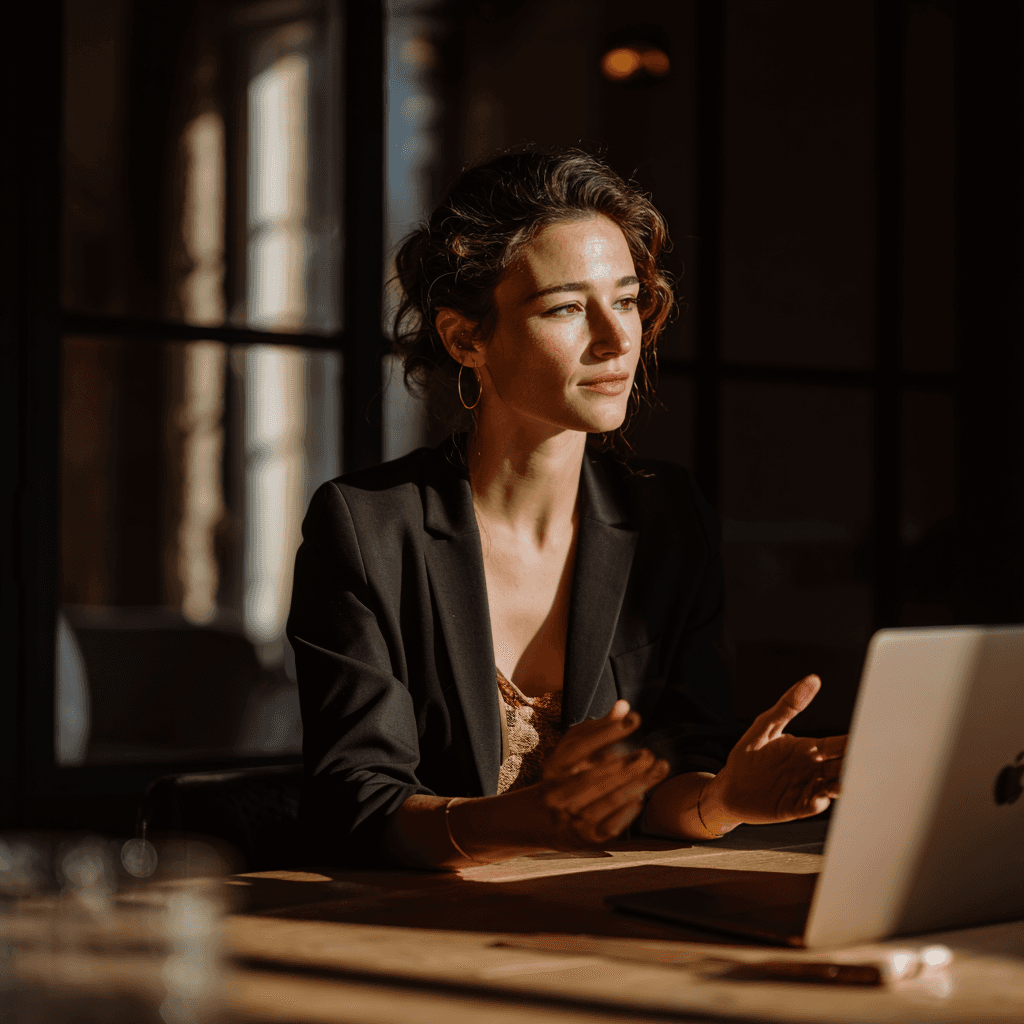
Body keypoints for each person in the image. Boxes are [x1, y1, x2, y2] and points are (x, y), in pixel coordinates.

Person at [287, 148, 846, 870]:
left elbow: (677, 773)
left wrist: (725, 801)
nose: (617, 341)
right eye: (565, 309)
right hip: (415, 932)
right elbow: (354, 806)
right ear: (466, 338)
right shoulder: (366, 528)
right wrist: (520, 820)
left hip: (598, 923)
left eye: (624, 299)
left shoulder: (669, 518)